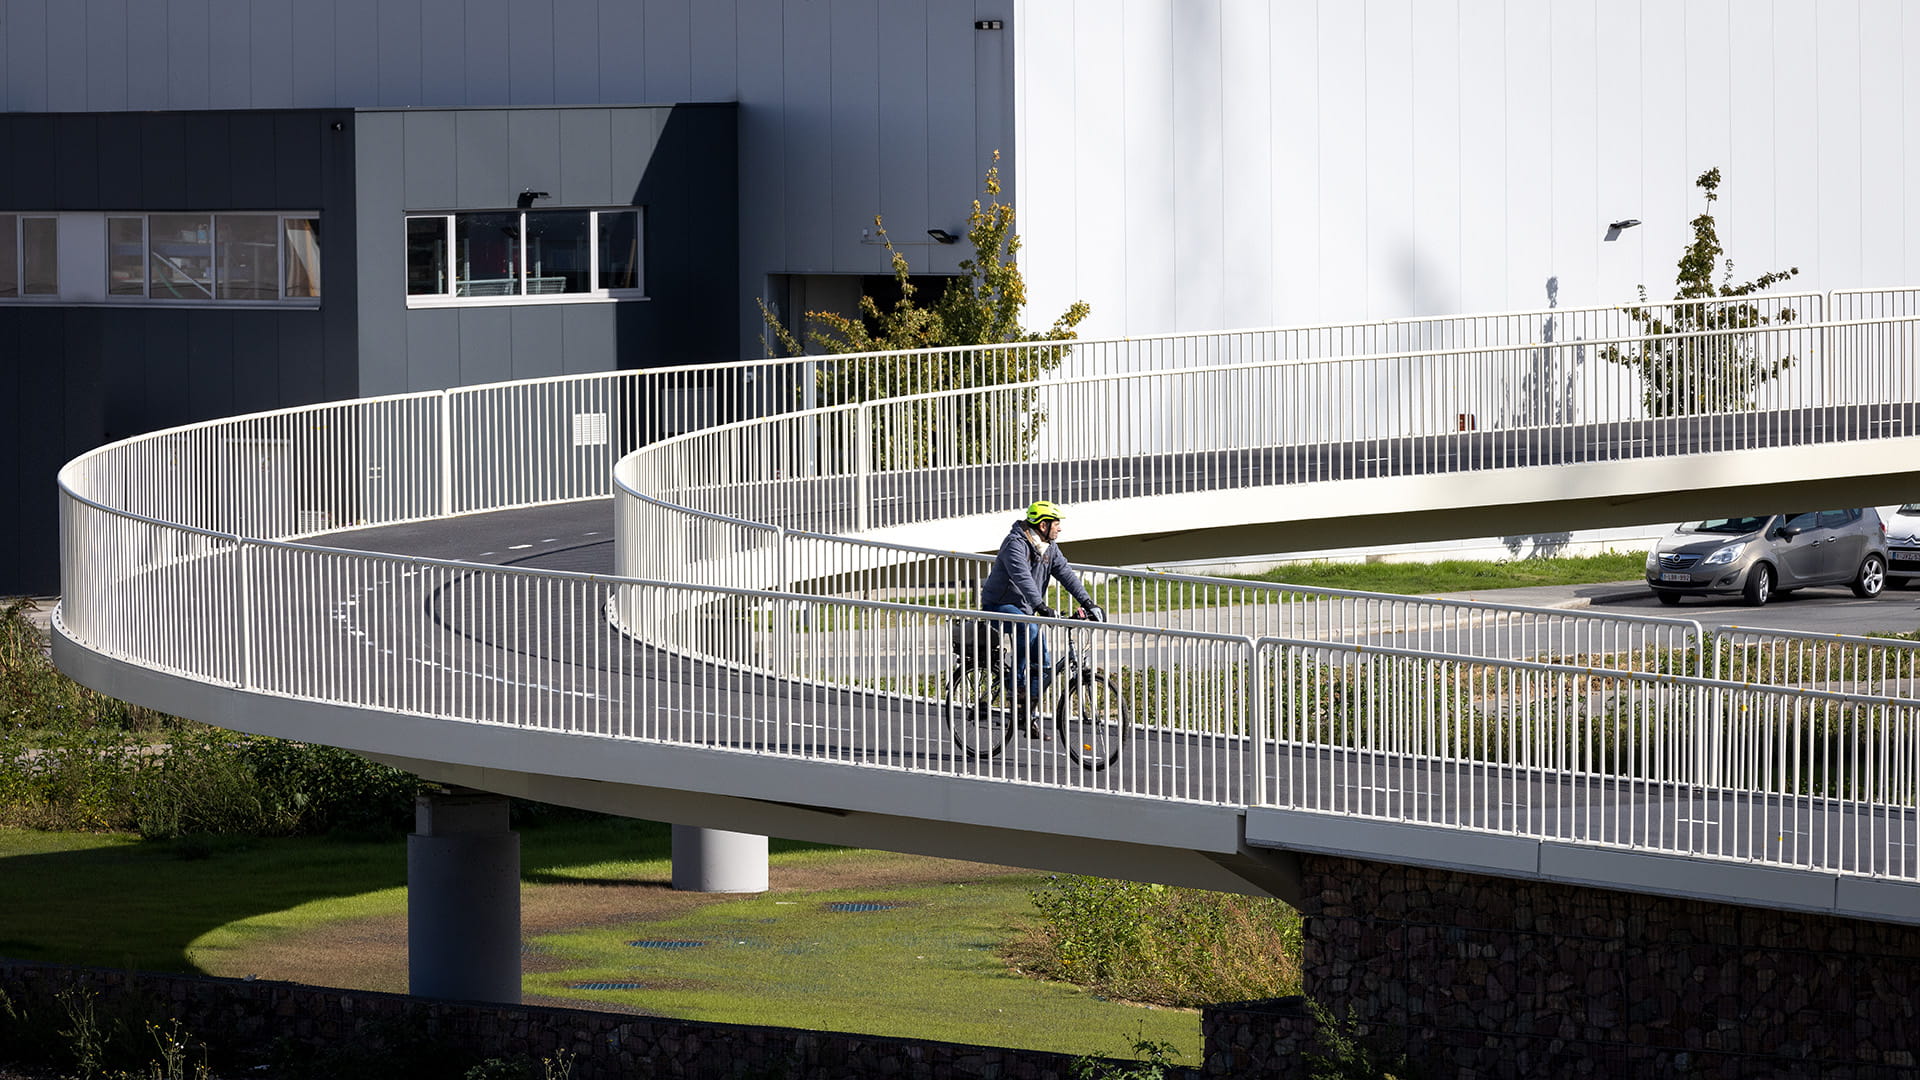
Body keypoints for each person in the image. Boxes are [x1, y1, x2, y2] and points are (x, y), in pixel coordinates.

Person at [980, 500, 1104, 733]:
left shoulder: (1049, 547)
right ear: (1043, 525)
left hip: (1026, 610)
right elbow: (1022, 577)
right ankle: (1015, 690)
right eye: (1056, 524)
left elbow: (1066, 574)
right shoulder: (1014, 544)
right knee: (1029, 631)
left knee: (1044, 663)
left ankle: (1027, 715)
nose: (1060, 528)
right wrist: (1041, 605)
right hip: (999, 605)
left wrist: (1088, 603)